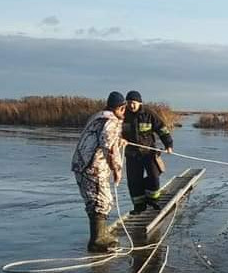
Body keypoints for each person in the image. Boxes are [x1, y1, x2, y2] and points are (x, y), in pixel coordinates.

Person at [71, 91, 127, 252]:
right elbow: (108, 147)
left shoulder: (98, 117)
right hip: (92, 167)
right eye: (124, 108)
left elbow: (102, 139)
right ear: (120, 107)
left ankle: (99, 236)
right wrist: (116, 169)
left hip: (82, 165)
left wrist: (119, 140)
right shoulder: (111, 121)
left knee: (98, 200)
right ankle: (97, 240)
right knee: (101, 201)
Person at [121, 90, 173, 214]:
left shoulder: (149, 114)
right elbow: (115, 131)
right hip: (132, 154)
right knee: (134, 181)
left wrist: (168, 145)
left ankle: (153, 201)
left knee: (154, 177)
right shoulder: (123, 115)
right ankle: (139, 206)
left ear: (139, 103)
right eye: (128, 103)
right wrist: (121, 139)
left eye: (133, 103)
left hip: (149, 152)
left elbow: (162, 129)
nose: (131, 105)